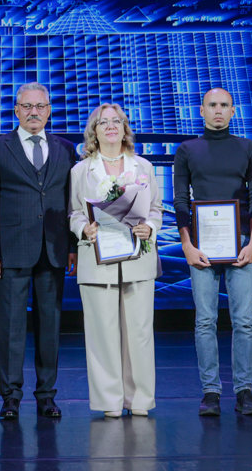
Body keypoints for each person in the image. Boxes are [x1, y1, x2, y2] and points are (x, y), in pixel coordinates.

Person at [0, 82, 75, 420]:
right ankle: (11, 397)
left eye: (40, 106)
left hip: (54, 250)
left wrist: (72, 248)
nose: (34, 112)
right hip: (11, 251)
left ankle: (46, 395)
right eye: (27, 106)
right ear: (16, 110)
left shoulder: (65, 149)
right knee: (11, 328)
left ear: (49, 111)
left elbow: (72, 203)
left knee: (50, 326)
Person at [174, 87, 252, 417]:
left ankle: (244, 391)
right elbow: (180, 200)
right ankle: (210, 392)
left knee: (244, 321)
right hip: (201, 247)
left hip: (240, 243)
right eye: (212, 105)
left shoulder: (248, 148)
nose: (218, 110)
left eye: (224, 105)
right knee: (205, 321)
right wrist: (187, 245)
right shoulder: (187, 149)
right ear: (202, 110)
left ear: (233, 111)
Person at [69, 103, 162, 418]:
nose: (110, 126)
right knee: (102, 335)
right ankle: (109, 401)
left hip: (138, 260)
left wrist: (150, 227)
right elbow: (74, 212)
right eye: (103, 122)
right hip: (97, 262)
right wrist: (84, 228)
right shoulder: (81, 171)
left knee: (140, 333)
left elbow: (156, 208)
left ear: (125, 129)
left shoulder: (143, 166)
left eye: (116, 121)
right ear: (94, 132)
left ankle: (139, 399)